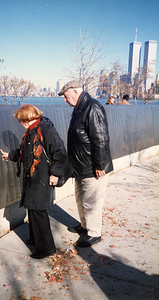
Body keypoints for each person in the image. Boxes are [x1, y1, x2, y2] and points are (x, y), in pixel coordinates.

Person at [0, 104, 68, 259]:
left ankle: (46, 249)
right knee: (32, 209)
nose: (22, 124)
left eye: (22, 121)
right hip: (34, 178)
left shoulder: (45, 130)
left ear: (29, 118)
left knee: (38, 212)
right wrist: (10, 155)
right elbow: (24, 153)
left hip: (42, 178)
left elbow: (60, 153)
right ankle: (35, 239)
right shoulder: (32, 131)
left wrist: (56, 174)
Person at [58, 80, 113, 247]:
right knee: (81, 199)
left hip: (92, 167)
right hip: (80, 166)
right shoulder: (81, 108)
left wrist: (99, 165)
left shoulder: (92, 107)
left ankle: (94, 233)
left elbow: (101, 139)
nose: (65, 100)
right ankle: (85, 227)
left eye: (66, 96)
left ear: (75, 92)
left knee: (92, 202)